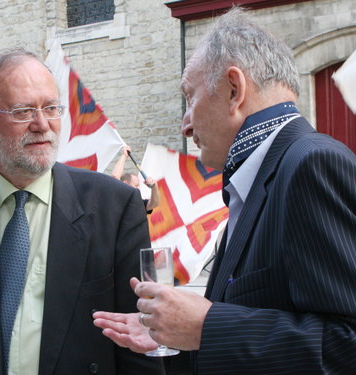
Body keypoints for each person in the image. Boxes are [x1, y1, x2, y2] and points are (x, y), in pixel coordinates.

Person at [93, 7, 356, 374]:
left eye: (190, 97)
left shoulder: (310, 164)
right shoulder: (255, 179)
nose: (185, 125)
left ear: (234, 89)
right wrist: (176, 334)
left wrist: (206, 326)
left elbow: (346, 345)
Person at [0, 48, 165, 375]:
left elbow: (140, 347)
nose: (42, 124)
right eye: (23, 111)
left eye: (51, 108)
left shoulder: (115, 206)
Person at [111, 145, 160, 213]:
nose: (139, 188)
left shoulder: (138, 203)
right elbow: (115, 177)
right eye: (136, 185)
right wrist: (124, 155)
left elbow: (155, 203)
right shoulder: (117, 199)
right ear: (125, 183)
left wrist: (154, 187)